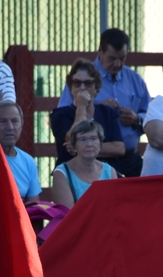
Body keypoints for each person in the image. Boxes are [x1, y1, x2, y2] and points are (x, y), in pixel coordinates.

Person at [57, 28, 150, 177]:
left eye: (122, 58)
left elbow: (149, 115)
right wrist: (98, 109)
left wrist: (136, 119)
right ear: (100, 51)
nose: (118, 64)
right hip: (94, 161)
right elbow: (64, 115)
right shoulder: (83, 79)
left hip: (130, 158)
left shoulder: (135, 80)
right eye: (112, 58)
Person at [50, 58, 124, 169]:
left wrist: (81, 147)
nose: (82, 88)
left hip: (106, 173)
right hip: (73, 174)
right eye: (77, 83)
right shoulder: (59, 115)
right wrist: (82, 107)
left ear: (97, 87)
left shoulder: (108, 113)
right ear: (71, 88)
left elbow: (119, 148)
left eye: (88, 83)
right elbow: (71, 138)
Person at [51, 120, 117, 208]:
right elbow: (67, 215)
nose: (89, 144)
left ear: (100, 143)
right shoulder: (62, 173)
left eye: (93, 138)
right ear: (74, 145)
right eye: (83, 139)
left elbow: (115, 207)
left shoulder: (109, 171)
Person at [0, 100, 41, 202]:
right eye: (3, 121)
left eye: (15, 121)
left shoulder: (28, 161)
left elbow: (34, 208)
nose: (10, 127)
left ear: (21, 126)